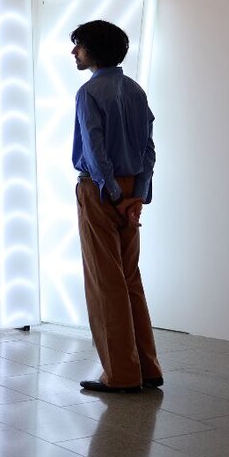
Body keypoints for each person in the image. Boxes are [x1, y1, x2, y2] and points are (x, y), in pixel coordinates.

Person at [70, 19, 163, 393]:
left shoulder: (89, 92)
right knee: (129, 279)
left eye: (79, 46)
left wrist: (110, 192)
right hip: (130, 193)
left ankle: (121, 374)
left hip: (100, 191)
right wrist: (136, 195)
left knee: (105, 282)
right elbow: (149, 150)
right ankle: (148, 367)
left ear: (94, 51)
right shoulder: (136, 91)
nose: (74, 52)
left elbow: (94, 149)